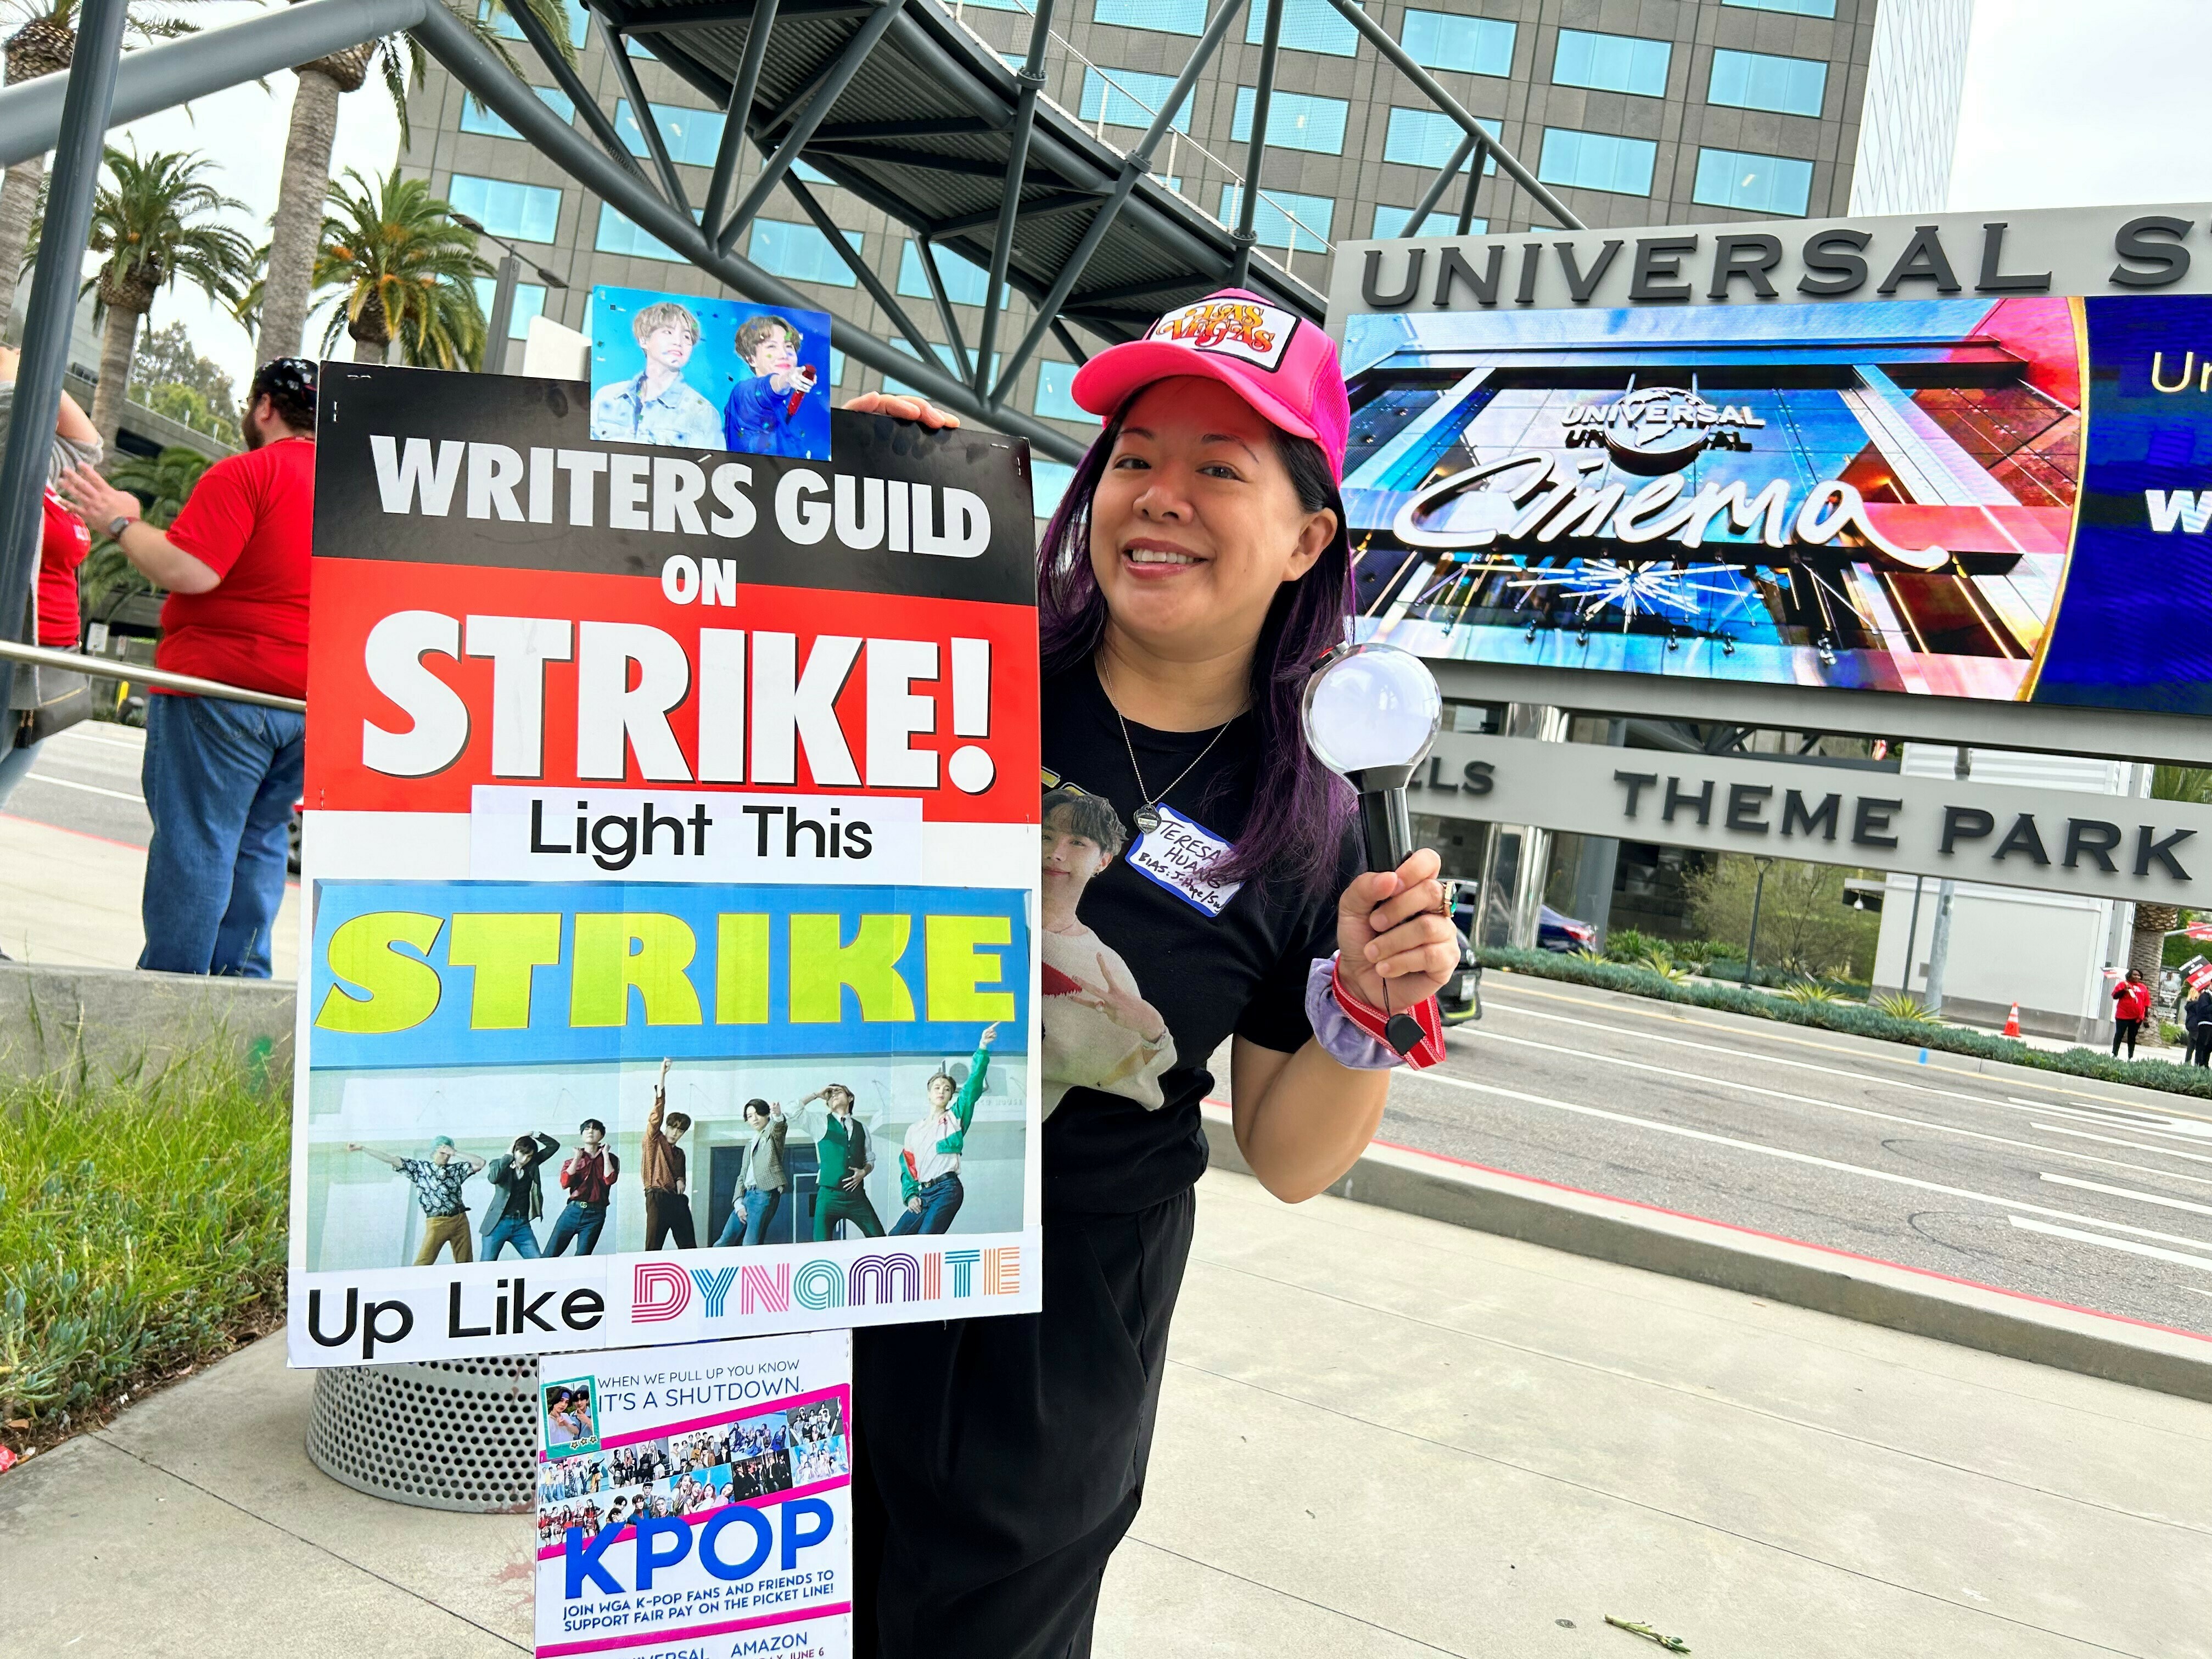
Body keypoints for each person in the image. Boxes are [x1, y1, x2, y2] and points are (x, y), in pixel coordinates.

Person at [838, 288, 1454, 1655]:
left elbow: (1292, 1156)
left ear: (1307, 536)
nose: (1157, 495)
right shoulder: (945, 652)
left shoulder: (1316, 819)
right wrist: (826, 519)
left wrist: (1368, 1004)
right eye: (1133, 456)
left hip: (1054, 1338)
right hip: (798, 1243)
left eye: (1216, 467)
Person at [56, 358, 317, 979]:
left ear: (263, 407)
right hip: (309, 704)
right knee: (259, 844)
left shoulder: (248, 473)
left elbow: (191, 571)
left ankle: (172, 995)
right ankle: (241, 986)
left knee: (197, 845)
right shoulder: (354, 491)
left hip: (219, 693)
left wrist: (121, 522)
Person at [0, 346, 102, 820]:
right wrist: (13, 360)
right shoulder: (8, 455)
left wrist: (39, 369)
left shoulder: (37, 465)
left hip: (49, 662)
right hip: (14, 655)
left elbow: (88, 446)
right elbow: (7, 404)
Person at [1040, 787, 1175, 1114]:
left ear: (1103, 860)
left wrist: (1152, 1030)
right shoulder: (971, 913)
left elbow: (1129, 1074)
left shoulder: (1104, 966)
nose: (1056, 853)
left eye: (1077, 843)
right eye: (1046, 836)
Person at [893, 1025, 999, 1236]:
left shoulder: (955, 1117)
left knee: (926, 1240)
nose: (942, 1091)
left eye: (947, 1089)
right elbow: (908, 1169)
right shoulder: (914, 1130)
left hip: (947, 1190)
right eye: (937, 1088)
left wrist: (982, 1047)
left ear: (951, 1097)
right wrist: (911, 1196)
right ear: (929, 1094)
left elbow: (972, 1087)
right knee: (895, 1238)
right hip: (924, 1193)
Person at [589, 299, 722, 447]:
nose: (678, 342)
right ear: (644, 341)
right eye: (668, 332)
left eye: (687, 337)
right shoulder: (607, 397)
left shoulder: (702, 413)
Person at [347, 1135, 486, 1265]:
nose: (446, 1156)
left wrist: (455, 1152)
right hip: (437, 1222)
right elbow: (390, 1159)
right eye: (442, 1152)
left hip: (459, 1219)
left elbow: (480, 1163)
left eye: (448, 1154)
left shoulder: (456, 1169)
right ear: (434, 1152)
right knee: (424, 1262)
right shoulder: (420, 1169)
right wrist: (362, 1148)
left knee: (465, 1263)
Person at [722, 312, 818, 457]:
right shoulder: (743, 393)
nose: (784, 354)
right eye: (771, 347)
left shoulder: (790, 414)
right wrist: (787, 379)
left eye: (789, 346)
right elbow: (766, 389)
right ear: (752, 359)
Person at [807, 1083, 885, 1240]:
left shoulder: (862, 1128)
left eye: (839, 1092)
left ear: (850, 1098)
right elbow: (792, 1112)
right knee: (820, 1246)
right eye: (831, 1094)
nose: (834, 1095)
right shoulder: (821, 1123)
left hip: (856, 1197)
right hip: (829, 1195)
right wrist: (816, 1094)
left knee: (879, 1238)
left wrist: (864, 1172)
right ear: (827, 1103)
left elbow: (870, 1158)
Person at [714, 1098, 789, 1246]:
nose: (754, 1119)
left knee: (751, 1243)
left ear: (767, 1114)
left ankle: (751, 1270)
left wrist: (778, 1115)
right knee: (723, 1241)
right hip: (746, 1196)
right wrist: (738, 1203)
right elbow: (742, 1175)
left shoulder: (772, 1134)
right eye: (749, 1116)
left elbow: (779, 1127)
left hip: (764, 1193)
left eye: (757, 1114)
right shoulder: (749, 1145)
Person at [641, 1059, 696, 1250]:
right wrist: (662, 1075)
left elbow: (680, 1174)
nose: (674, 1133)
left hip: (677, 1200)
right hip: (657, 1197)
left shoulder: (680, 1153)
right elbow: (657, 1113)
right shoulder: (654, 1140)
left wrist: (681, 1179)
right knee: (653, 1246)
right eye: (672, 1128)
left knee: (689, 1245)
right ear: (667, 1127)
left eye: (680, 1131)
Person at [479, 1131, 559, 1259]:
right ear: (515, 1150)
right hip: (498, 1223)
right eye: (522, 1154)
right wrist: (511, 1147)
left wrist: (535, 1134)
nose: (524, 1159)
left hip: (521, 1224)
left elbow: (554, 1146)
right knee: (487, 1265)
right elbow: (494, 1178)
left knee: (538, 1261)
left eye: (529, 1156)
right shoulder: (499, 1164)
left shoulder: (532, 1165)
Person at [547, 1118, 619, 1256]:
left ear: (602, 1136)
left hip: (596, 1214)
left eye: (595, 1129)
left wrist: (605, 1155)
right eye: (587, 1129)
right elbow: (565, 1183)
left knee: (583, 1257)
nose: (590, 1131)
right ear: (582, 1134)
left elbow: (610, 1179)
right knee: (550, 1254)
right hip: (573, 1211)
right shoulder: (572, 1160)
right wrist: (577, 1158)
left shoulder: (611, 1159)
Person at [2112, 968, 2152, 1058]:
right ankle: (2114, 1054)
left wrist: (2145, 1017)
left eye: (2139, 975)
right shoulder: (2123, 985)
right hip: (2123, 1015)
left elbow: (2146, 1003)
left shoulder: (2143, 988)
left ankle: (2131, 1057)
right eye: (2135, 975)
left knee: (2132, 1037)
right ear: (2130, 976)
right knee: (2119, 1035)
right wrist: (2123, 991)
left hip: (2137, 1017)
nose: (2137, 977)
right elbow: (2115, 996)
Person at [2187, 980, 2212, 1068]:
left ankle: (2205, 1065)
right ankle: (2198, 1064)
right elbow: (2204, 1010)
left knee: (2209, 1047)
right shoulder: (2205, 996)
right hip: (2205, 1024)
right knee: (2201, 1046)